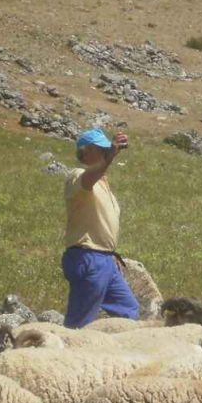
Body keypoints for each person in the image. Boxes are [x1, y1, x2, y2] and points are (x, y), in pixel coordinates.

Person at [61, 127, 140, 328]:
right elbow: (87, 179)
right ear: (86, 152)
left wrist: (110, 253)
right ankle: (71, 351)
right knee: (81, 319)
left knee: (128, 309)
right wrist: (111, 157)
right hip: (87, 256)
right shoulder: (78, 175)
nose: (106, 152)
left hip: (105, 258)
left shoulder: (103, 183)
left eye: (107, 149)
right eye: (101, 149)